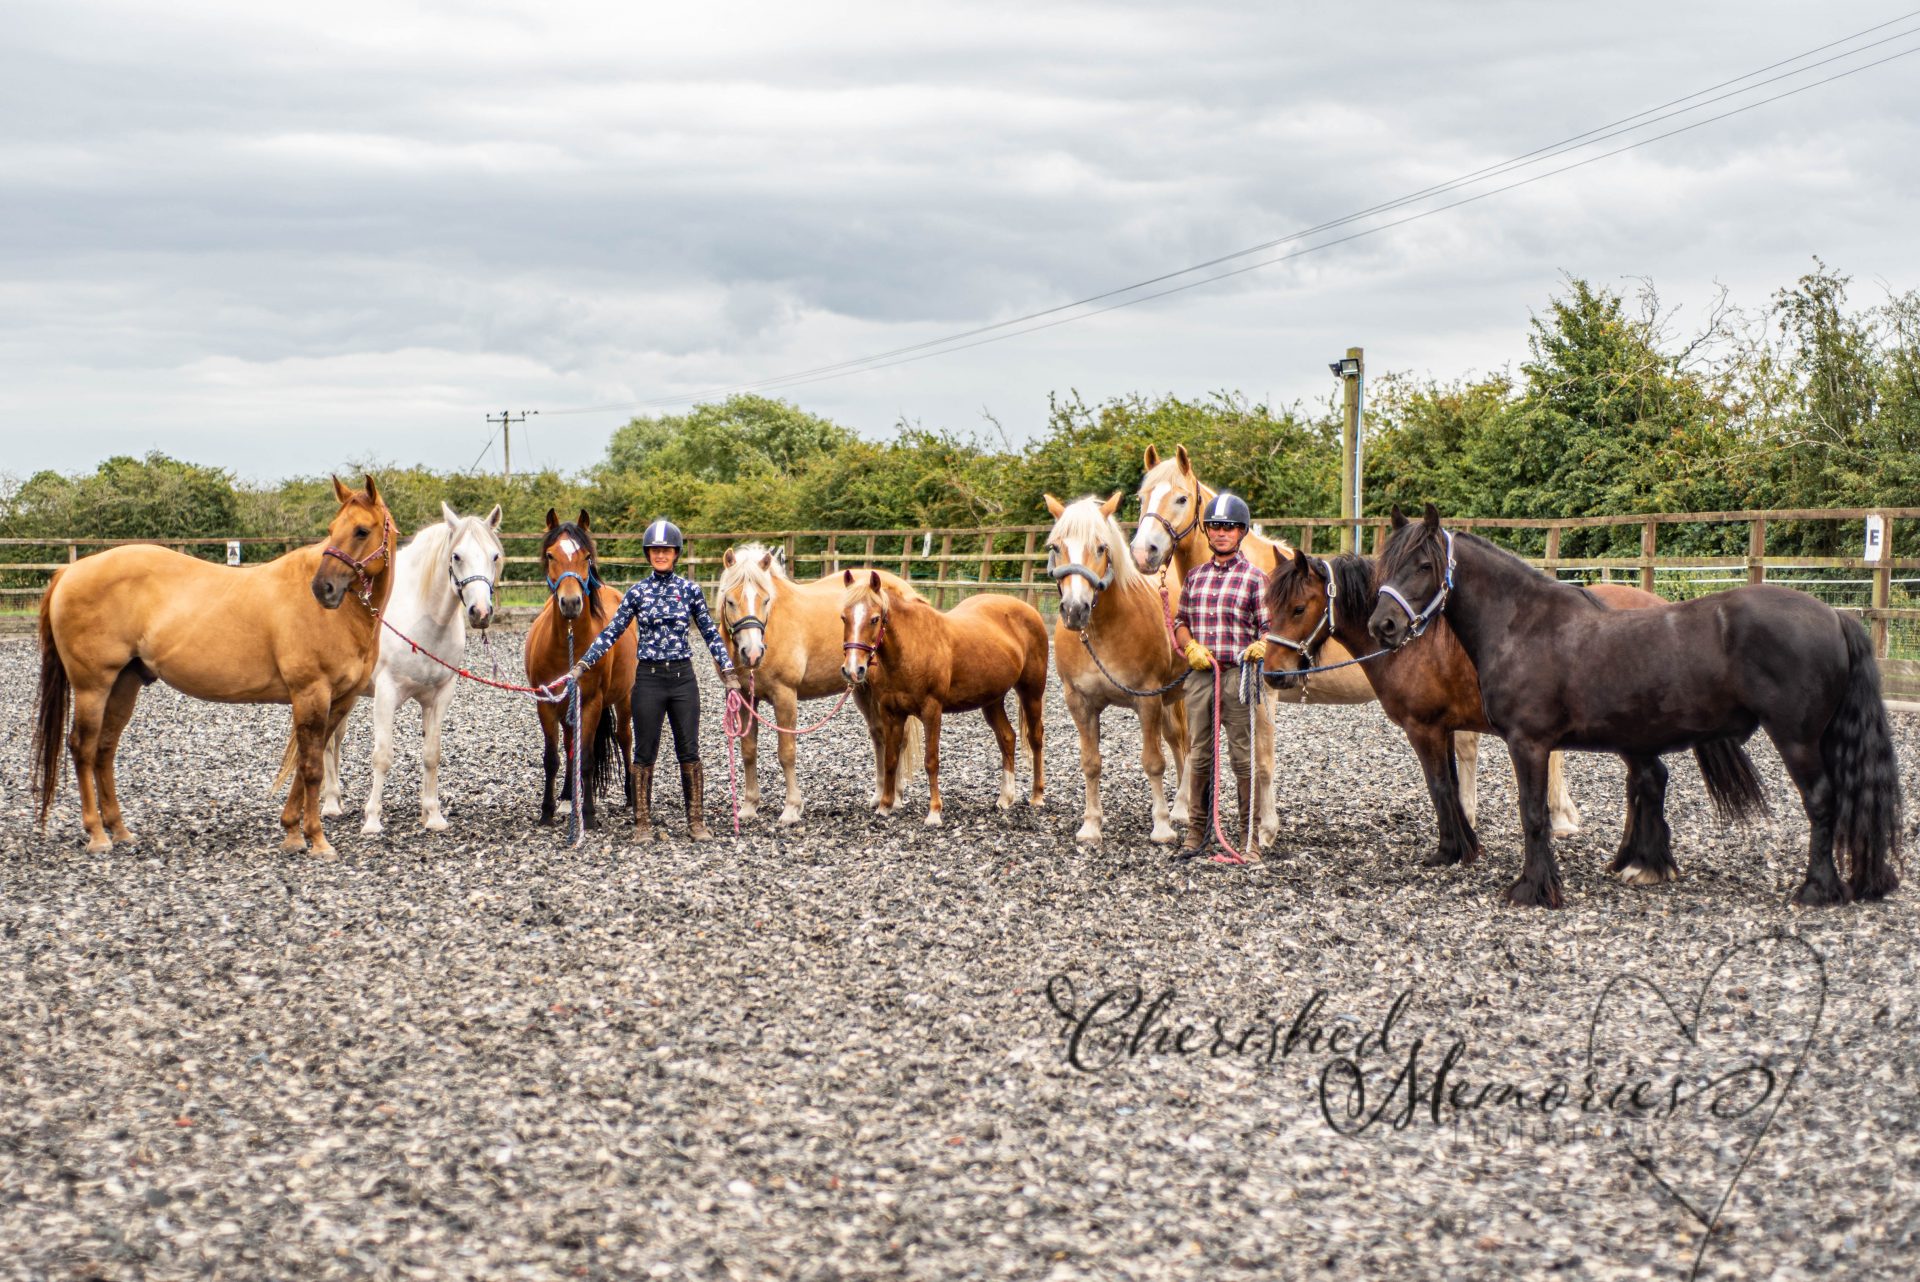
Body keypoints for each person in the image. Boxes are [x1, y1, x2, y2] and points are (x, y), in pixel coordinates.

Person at [567, 518, 741, 841]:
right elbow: (611, 633)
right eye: (656, 550)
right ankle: (642, 823)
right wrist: (582, 664)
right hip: (647, 678)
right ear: (649, 554)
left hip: (682, 679)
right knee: (644, 752)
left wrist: (729, 671)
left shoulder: (690, 591)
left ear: (675, 553)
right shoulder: (637, 593)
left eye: (667, 550)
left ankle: (696, 821)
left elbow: (710, 634)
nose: (661, 555)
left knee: (689, 749)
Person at [1170, 492, 1270, 861]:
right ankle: (1198, 831)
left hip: (1238, 675)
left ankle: (1248, 837)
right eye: (1214, 526)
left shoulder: (1256, 579)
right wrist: (1189, 646)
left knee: (1243, 757)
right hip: (1201, 675)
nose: (1221, 532)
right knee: (1199, 754)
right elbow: (1180, 621)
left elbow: (1270, 628)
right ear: (1207, 532)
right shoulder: (1194, 578)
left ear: (1242, 532)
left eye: (1229, 527)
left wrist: (1262, 646)